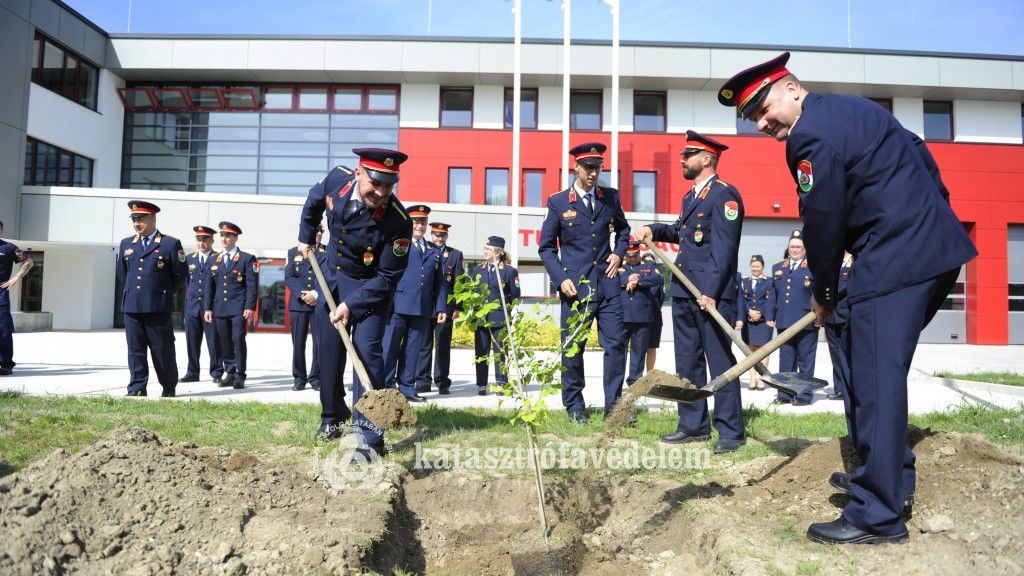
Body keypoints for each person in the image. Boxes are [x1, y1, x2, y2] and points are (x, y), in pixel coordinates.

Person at [719, 51, 977, 544]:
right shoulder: (856, 109)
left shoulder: (809, 136)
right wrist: (934, 218)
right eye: (753, 117)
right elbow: (922, 154)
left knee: (875, 377)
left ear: (792, 88)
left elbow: (822, 222)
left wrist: (825, 290)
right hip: (929, 250)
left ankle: (876, 515)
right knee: (864, 366)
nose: (762, 122)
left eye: (765, 107)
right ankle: (885, 478)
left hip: (896, 257)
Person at [634, 130, 745, 454]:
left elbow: (724, 251)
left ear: (707, 159)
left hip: (710, 295)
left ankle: (730, 431)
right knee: (688, 363)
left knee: (722, 364)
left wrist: (709, 291)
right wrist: (653, 230)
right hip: (684, 291)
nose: (682, 159)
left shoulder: (725, 196)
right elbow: (682, 233)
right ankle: (693, 425)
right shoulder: (690, 197)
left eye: (689, 155)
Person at [297, 151, 412, 457]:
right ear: (359, 173)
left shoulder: (398, 222)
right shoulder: (338, 180)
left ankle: (369, 433)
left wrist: (351, 305)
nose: (382, 192)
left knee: (366, 354)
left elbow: (389, 275)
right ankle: (333, 418)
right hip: (331, 279)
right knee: (329, 353)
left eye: (389, 186)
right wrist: (306, 235)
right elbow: (313, 199)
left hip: (369, 289)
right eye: (376, 183)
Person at [538, 142, 630, 423]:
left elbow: (624, 230)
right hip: (576, 288)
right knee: (573, 347)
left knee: (615, 345)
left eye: (598, 168)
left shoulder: (610, 197)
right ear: (576, 167)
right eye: (588, 168)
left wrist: (618, 252)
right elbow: (546, 248)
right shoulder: (558, 202)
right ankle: (575, 406)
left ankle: (614, 408)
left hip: (609, 284)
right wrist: (561, 278)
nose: (593, 173)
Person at [116, 201, 187, 397]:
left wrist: (162, 292)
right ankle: (137, 387)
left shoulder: (170, 244)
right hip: (132, 306)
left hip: (157, 306)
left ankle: (168, 385)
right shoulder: (126, 244)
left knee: (162, 349)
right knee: (135, 349)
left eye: (141, 219)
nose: (137, 223)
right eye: (134, 219)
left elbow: (180, 274)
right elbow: (123, 274)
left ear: (153, 219)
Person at [382, 205, 448, 403]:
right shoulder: (399, 244)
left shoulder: (433, 250)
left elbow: (440, 283)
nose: (419, 226)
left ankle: (407, 388)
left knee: (413, 350)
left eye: (423, 222)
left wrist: (441, 307)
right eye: (416, 222)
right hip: (398, 306)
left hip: (422, 307)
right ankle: (385, 387)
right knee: (390, 348)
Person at [203, 221, 258, 390]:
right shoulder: (214, 259)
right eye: (222, 235)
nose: (224, 239)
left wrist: (250, 307)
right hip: (219, 307)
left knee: (238, 339)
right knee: (224, 341)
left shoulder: (246, 259)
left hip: (238, 307)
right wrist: (207, 308)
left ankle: (240, 374)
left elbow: (252, 285)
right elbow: (209, 287)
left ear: (235, 238)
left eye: (228, 235)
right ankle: (230, 372)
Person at [769, 230, 817, 406]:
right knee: (786, 360)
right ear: (787, 248)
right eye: (792, 247)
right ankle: (785, 395)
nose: (795, 250)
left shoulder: (813, 267)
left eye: (798, 247)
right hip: (784, 320)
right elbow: (772, 295)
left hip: (806, 321)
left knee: (805, 361)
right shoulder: (778, 268)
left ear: (805, 249)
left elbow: (818, 294)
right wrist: (770, 316)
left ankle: (803, 396)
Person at [415, 221, 463, 395]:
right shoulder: (424, 250)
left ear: (447, 236)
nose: (439, 238)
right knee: (424, 344)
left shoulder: (455, 255)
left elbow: (459, 283)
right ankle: (422, 381)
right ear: (431, 234)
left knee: (443, 344)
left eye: (442, 235)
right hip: (426, 304)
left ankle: (442, 381)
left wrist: (458, 306)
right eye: (436, 234)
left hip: (446, 306)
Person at [473, 236, 520, 396]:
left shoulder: (509, 271)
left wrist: (508, 315)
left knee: (501, 352)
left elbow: (515, 296)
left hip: (500, 318)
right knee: (482, 352)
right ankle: (481, 384)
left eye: (488, 249)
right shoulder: (477, 270)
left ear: (498, 251)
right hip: (481, 319)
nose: (484, 251)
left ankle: (501, 383)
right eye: (484, 248)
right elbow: (472, 293)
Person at [180, 225, 223, 385]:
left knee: (214, 342)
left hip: (210, 308)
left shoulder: (218, 258)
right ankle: (192, 372)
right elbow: (187, 282)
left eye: (205, 239)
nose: (201, 242)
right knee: (191, 341)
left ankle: (217, 372)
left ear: (212, 240)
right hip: (192, 307)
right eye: (199, 239)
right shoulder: (189, 259)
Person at [285, 227, 324, 391]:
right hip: (299, 304)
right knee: (298, 343)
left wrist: (315, 294)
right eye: (313, 231)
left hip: (319, 304)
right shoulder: (293, 252)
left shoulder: (327, 252)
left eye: (319, 232)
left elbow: (330, 277)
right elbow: (289, 276)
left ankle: (316, 378)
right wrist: (303, 295)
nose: (316, 234)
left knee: (319, 344)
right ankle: (299, 378)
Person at [619, 240, 660, 387]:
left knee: (638, 353)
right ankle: (617, 382)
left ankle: (634, 384)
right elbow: (610, 279)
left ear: (639, 253)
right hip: (622, 317)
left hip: (642, 318)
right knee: (619, 353)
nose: (631, 258)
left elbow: (657, 279)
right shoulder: (619, 267)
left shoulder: (647, 266)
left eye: (634, 255)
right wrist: (626, 280)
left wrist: (639, 280)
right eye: (629, 256)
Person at [735, 254, 775, 390]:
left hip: (764, 321)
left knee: (763, 351)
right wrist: (748, 313)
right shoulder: (744, 281)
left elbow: (771, 301)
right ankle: (752, 379)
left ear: (762, 267)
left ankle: (761, 379)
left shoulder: (769, 281)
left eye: (757, 266)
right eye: (753, 266)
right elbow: (741, 300)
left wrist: (761, 313)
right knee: (750, 351)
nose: (755, 269)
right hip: (749, 321)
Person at [0, 220, 35, 376]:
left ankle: (6, 364)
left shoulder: (9, 248)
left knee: (4, 329)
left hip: (0, 291)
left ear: (1, 230)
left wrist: (15, 279)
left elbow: (29, 262)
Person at [824, 253, 853, 402]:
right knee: (836, 356)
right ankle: (840, 389)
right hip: (831, 317)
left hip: (848, 316)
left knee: (850, 355)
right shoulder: (832, 261)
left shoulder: (855, 260)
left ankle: (851, 389)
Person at [641, 252, 665, 372]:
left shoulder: (658, 277)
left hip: (654, 316)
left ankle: (649, 374)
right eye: (646, 262)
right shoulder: (638, 275)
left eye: (651, 262)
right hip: (643, 316)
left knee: (651, 347)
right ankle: (639, 376)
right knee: (641, 348)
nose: (648, 265)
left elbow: (661, 298)